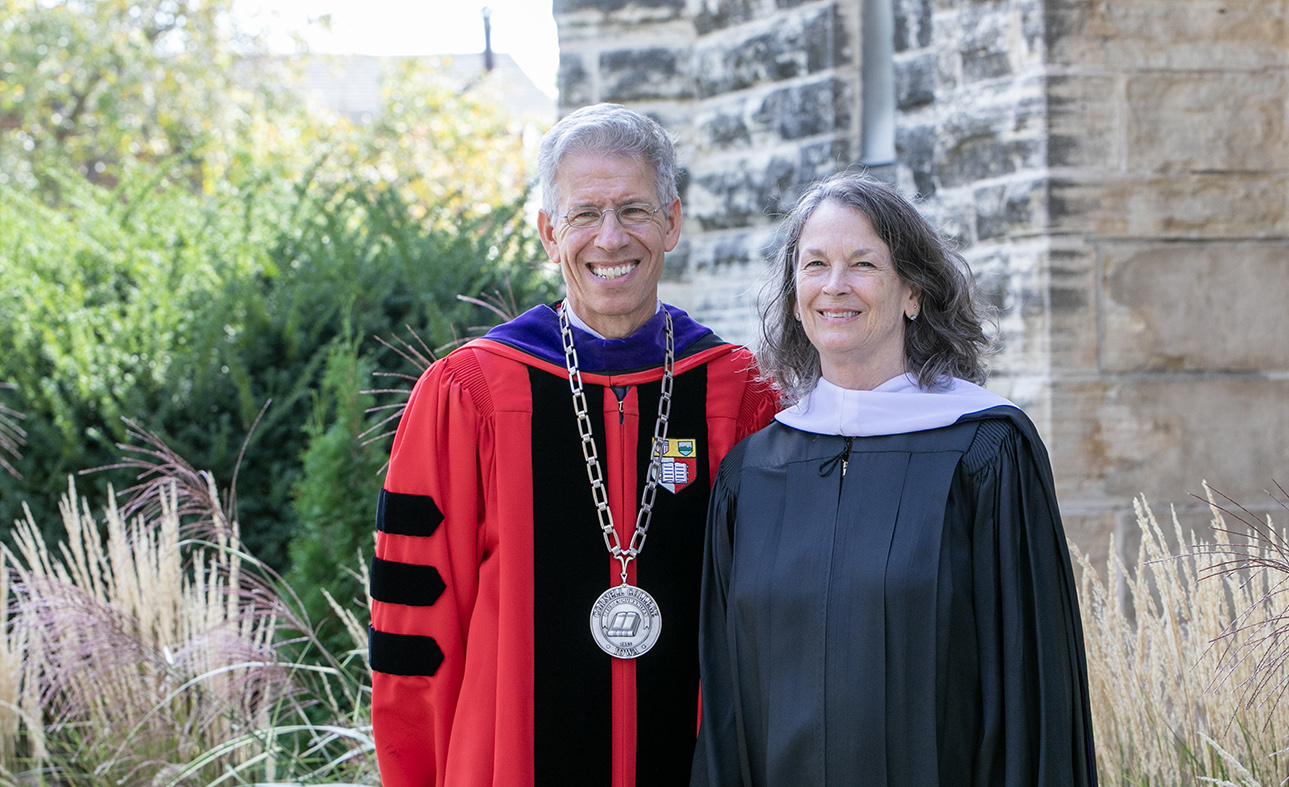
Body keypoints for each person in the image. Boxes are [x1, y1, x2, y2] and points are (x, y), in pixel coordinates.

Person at [370, 103, 779, 787]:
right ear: (548, 232)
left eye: (635, 211)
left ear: (672, 222)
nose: (610, 237)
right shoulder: (469, 394)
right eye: (585, 213)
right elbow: (416, 627)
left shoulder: (738, 392)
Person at [691, 174, 1098, 786]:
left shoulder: (984, 452)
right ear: (794, 290)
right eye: (815, 264)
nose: (835, 285)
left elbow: (1030, 693)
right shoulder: (753, 474)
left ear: (913, 291)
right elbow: (727, 705)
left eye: (863, 264)